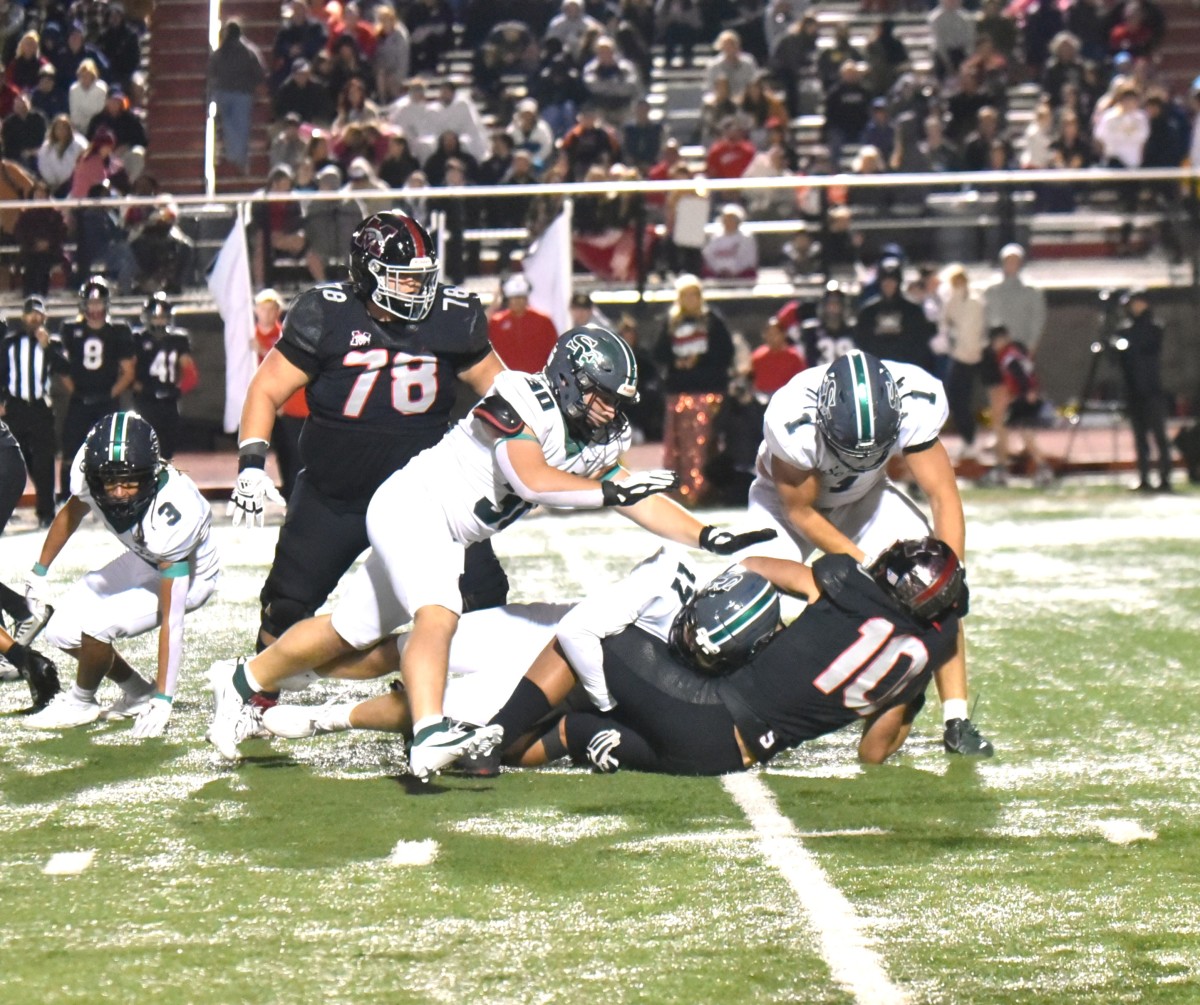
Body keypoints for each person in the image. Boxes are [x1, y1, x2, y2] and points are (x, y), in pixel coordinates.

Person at [208, 325, 769, 774]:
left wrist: (704, 535)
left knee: (347, 631)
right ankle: (430, 733)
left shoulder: (602, 434)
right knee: (439, 614)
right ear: (571, 381)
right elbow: (529, 478)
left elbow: (634, 495)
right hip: (414, 504)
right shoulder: (521, 395)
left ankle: (242, 683)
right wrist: (605, 490)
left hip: (449, 531)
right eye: (600, 397)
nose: (609, 411)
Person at [229, 211, 511, 656]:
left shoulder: (452, 318)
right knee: (286, 606)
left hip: (428, 498)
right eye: (402, 278)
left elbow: (503, 390)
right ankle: (257, 694)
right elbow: (266, 389)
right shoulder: (325, 314)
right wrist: (250, 465)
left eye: (421, 278)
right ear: (367, 273)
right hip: (337, 494)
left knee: (483, 597)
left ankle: (452, 696)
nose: (417, 289)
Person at [489, 537, 966, 774]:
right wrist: (910, 693)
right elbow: (873, 752)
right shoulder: (925, 654)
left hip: (706, 712)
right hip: (726, 758)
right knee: (578, 728)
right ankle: (503, 747)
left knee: (592, 639)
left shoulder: (848, 588)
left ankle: (490, 740)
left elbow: (753, 567)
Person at [744, 349, 993, 756]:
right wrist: (870, 567)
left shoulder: (916, 397)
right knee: (747, 595)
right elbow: (802, 512)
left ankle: (957, 720)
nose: (861, 456)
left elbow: (942, 494)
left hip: (867, 498)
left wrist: (956, 569)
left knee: (937, 585)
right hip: (785, 505)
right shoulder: (792, 420)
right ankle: (753, 709)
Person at [23, 412, 219, 736]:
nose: (117, 492)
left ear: (151, 474)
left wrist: (165, 698)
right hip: (144, 559)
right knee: (60, 630)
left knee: (98, 624)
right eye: (109, 480)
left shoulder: (174, 511)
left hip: (190, 573)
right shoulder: (89, 475)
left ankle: (81, 701)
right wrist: (39, 572)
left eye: (129, 481)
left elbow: (173, 620)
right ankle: (138, 692)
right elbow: (71, 513)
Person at [53, 277, 137, 502]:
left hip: (106, 400)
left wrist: (110, 394)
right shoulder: (71, 329)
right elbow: (62, 368)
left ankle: (109, 494)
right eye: (91, 304)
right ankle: (66, 495)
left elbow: (128, 371)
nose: (95, 309)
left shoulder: (118, 330)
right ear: (83, 305)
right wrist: (75, 391)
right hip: (80, 399)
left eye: (99, 303)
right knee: (70, 447)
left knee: (110, 449)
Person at [653, 275, 735, 505]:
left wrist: (699, 361)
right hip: (679, 392)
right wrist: (678, 363)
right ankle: (676, 490)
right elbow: (659, 353)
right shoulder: (671, 323)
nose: (690, 299)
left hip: (706, 392)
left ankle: (701, 490)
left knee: (701, 444)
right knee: (676, 445)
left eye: (694, 294)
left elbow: (725, 354)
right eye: (686, 295)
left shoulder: (712, 322)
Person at [2, 296, 65, 527]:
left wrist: (47, 346)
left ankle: (46, 513)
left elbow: (64, 368)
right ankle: (5, 512)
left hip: (40, 406)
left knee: (44, 461)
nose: (34, 318)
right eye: (30, 314)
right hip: (15, 406)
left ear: (44, 317)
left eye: (38, 314)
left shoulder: (52, 342)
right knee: (10, 460)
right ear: (23, 317)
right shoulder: (10, 342)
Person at [984, 243, 1046, 480]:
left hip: (1018, 358)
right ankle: (1001, 464)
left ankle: (1039, 463)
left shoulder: (1032, 292)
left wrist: (1027, 352)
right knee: (998, 412)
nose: (1011, 265)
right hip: (996, 359)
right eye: (1007, 260)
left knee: (1021, 414)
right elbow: (986, 323)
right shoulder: (991, 292)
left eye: (1015, 260)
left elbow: (1037, 323)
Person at [1112, 288, 1172, 492]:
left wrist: (1122, 339)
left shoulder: (1154, 327)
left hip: (1152, 389)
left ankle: (1165, 477)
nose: (1136, 307)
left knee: (1159, 437)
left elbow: (1144, 347)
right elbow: (1116, 360)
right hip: (1133, 390)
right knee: (1140, 438)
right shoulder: (1124, 329)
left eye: (1139, 302)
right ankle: (1144, 476)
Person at [250, 288, 307, 503]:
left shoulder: (284, 334)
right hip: (260, 403)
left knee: (291, 450)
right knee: (268, 449)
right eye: (262, 308)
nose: (266, 313)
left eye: (270, 308)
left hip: (285, 404)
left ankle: (293, 491)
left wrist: (263, 350)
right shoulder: (247, 335)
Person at [978, 325, 1054, 487]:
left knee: (1018, 433)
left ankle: (1038, 469)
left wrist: (1026, 392)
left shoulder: (1008, 357)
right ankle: (1035, 468)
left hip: (1023, 399)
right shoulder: (1017, 352)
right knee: (1021, 434)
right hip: (1025, 397)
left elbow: (1020, 375)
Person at [131, 292, 196, 460]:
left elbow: (189, 371)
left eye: (162, 317)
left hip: (168, 401)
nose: (159, 322)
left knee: (167, 451)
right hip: (145, 400)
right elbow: (129, 370)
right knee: (145, 448)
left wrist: (178, 390)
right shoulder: (137, 338)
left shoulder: (178, 339)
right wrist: (138, 386)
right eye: (155, 318)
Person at [939, 264, 987, 461]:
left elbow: (970, 331)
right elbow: (945, 321)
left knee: (963, 400)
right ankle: (968, 439)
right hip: (959, 356)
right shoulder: (953, 300)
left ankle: (971, 440)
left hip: (970, 357)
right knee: (956, 401)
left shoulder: (974, 302)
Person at [207, 20, 266, 173]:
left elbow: (212, 71)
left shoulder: (220, 51)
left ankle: (235, 156)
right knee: (241, 127)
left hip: (224, 93)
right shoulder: (249, 50)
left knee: (228, 126)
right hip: (243, 94)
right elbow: (259, 73)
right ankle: (239, 158)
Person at [487, 274, 559, 373]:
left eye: (521, 297)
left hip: (538, 377)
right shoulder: (496, 322)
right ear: (508, 299)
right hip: (507, 378)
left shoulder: (544, 321)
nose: (517, 301)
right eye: (513, 298)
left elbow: (554, 350)